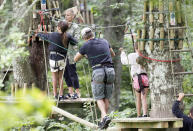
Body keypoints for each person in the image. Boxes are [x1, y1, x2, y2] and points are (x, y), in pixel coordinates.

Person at [74, 27, 115, 129]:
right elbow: (112, 54)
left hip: (98, 71)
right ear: (93, 34)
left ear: (84, 37)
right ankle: (103, 122)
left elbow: (75, 59)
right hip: (110, 70)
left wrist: (86, 55)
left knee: (98, 97)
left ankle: (105, 116)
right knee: (106, 97)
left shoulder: (85, 45)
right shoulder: (104, 41)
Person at [37, 21, 78, 100]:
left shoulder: (52, 35)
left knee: (54, 77)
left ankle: (55, 95)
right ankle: (61, 95)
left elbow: (42, 36)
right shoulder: (67, 36)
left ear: (58, 27)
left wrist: (37, 33)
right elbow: (75, 42)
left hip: (53, 58)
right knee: (60, 78)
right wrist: (69, 40)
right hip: (62, 59)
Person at [120, 43, 149, 117]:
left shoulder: (132, 55)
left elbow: (124, 61)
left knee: (138, 98)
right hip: (145, 77)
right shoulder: (146, 55)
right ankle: (145, 114)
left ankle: (139, 115)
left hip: (136, 78)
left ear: (135, 48)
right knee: (144, 97)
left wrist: (122, 53)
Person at [63, 8, 81, 99]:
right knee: (65, 73)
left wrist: (68, 36)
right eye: (65, 15)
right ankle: (70, 92)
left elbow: (76, 41)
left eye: (68, 15)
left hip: (71, 53)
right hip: (62, 52)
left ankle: (77, 93)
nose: (66, 17)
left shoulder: (76, 27)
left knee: (72, 73)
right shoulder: (63, 24)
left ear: (73, 16)